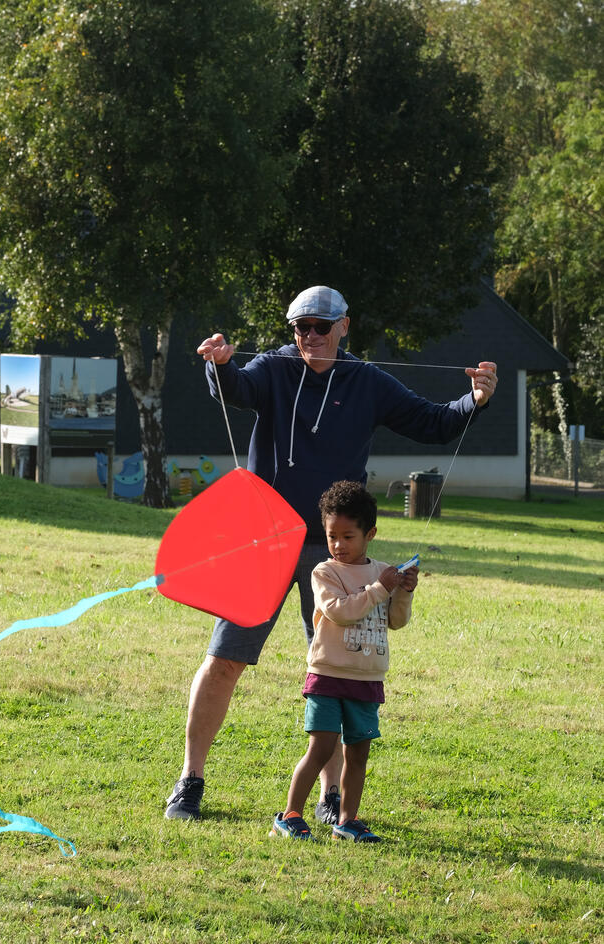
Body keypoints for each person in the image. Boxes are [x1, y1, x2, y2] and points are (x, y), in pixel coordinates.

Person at [165, 285, 497, 821]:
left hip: (337, 552)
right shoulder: (274, 368)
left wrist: (474, 400)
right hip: (268, 542)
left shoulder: (367, 382)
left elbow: (432, 422)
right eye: (302, 327)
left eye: (322, 326)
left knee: (338, 672)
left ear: (345, 326)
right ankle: (190, 780)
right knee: (224, 659)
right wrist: (221, 365)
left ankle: (331, 796)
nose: (311, 336)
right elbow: (237, 389)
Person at [270, 480, 415, 843]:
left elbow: (396, 621)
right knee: (321, 747)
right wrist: (381, 588)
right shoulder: (325, 573)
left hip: (367, 679)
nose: (338, 545)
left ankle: (347, 821)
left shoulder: (383, 572)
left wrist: (404, 591)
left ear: (370, 534)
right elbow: (339, 611)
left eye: (348, 536)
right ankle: (290, 815)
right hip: (328, 675)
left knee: (359, 753)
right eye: (332, 536)